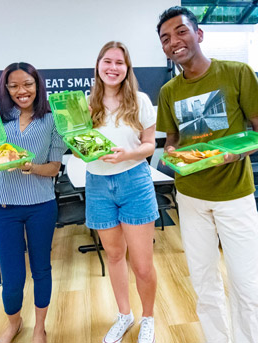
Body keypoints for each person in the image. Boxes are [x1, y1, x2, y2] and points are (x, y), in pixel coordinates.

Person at [155, 7, 258, 342]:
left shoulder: (237, 72)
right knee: (204, 282)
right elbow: (172, 140)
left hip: (235, 196)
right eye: (165, 38)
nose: (174, 42)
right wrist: (170, 154)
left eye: (181, 31)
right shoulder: (169, 91)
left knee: (247, 283)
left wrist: (234, 153)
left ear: (198, 34)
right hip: (190, 197)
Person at [0, 62, 64, 343]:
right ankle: (13, 323)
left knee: (41, 269)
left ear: (37, 85)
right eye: (14, 85)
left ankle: (40, 327)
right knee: (12, 277)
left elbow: (53, 168)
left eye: (27, 84)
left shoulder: (51, 119)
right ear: (6, 88)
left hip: (41, 204)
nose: (21, 91)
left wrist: (29, 167)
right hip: (3, 208)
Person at [83, 41, 159, 343]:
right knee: (114, 256)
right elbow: (79, 149)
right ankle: (124, 314)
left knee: (142, 265)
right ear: (98, 64)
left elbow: (150, 144)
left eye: (119, 63)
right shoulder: (86, 103)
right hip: (98, 185)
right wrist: (87, 151)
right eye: (107, 61)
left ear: (127, 69)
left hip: (134, 181)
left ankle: (148, 317)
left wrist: (126, 154)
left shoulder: (139, 100)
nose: (113, 68)